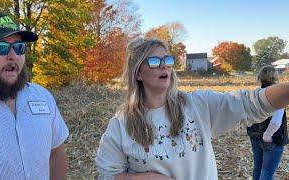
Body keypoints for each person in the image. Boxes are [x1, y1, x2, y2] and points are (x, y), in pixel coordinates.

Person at [95, 38, 289, 180]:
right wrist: (146, 178)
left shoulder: (197, 105)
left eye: (168, 60)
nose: (164, 66)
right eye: (154, 61)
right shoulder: (121, 124)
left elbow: (250, 103)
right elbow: (108, 174)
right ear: (138, 73)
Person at [0, 12, 69, 180]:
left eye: (19, 47)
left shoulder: (42, 97)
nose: (13, 56)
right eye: (0, 47)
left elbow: (56, 153)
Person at [247, 65, 288, 180]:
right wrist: (267, 137)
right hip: (271, 139)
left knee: (258, 170)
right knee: (266, 174)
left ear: (259, 77)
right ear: (275, 77)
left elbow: (249, 116)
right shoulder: (278, 94)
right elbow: (275, 122)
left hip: (255, 137)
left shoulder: (255, 93)